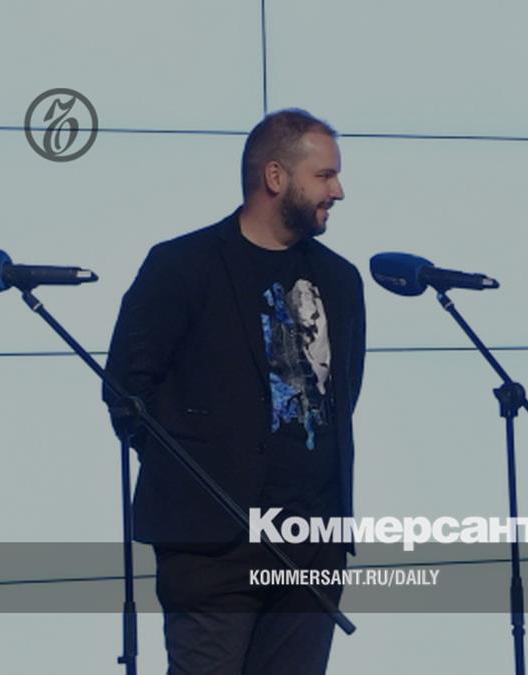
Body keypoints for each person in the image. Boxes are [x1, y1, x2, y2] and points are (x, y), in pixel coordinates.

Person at [103, 108, 365, 674]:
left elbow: (341, 395)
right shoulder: (182, 266)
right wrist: (201, 475)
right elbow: (127, 394)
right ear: (275, 177)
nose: (338, 191)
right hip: (212, 548)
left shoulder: (341, 280)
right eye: (325, 175)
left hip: (311, 545)